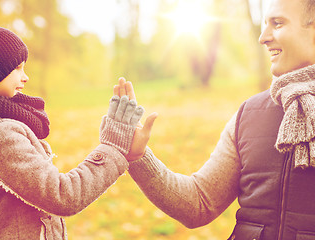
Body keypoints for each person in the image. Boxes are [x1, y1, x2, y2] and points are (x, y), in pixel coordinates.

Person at [115, 0, 315, 239]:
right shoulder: (249, 114)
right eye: (265, 25)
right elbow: (199, 203)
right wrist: (139, 157)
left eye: (278, 24)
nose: (263, 37)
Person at [0, 22, 155, 240]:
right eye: (17, 68)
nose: (25, 77)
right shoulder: (1, 136)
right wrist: (114, 147)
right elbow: (63, 195)